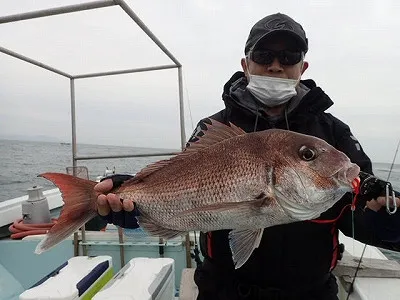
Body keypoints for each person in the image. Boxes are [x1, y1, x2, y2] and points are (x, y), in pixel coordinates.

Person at [94, 13, 400, 300]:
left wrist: (388, 221)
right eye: (264, 56)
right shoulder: (214, 127)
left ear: (303, 67)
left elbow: (359, 208)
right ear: (246, 63)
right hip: (223, 289)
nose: (276, 66)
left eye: (290, 57)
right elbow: (177, 183)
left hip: (311, 292)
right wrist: (132, 195)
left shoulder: (333, 133)